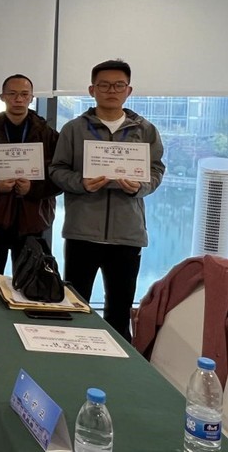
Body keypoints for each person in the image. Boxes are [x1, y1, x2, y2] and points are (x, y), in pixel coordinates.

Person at [49, 59, 164, 342]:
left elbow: (156, 170)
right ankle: (73, 355)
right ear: (92, 90)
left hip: (128, 234)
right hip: (82, 232)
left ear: (129, 90)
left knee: (119, 310)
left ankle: (117, 363)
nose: (111, 91)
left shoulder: (145, 130)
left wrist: (140, 186)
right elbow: (57, 170)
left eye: (118, 85)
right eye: (104, 85)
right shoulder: (74, 129)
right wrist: (81, 183)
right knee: (75, 303)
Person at [0, 74, 60, 272]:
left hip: (33, 221)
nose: (18, 99)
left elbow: (59, 178)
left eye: (24, 94)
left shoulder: (49, 135)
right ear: (2, 97)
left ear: (32, 97)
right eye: (12, 94)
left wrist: (33, 188)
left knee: (30, 283)